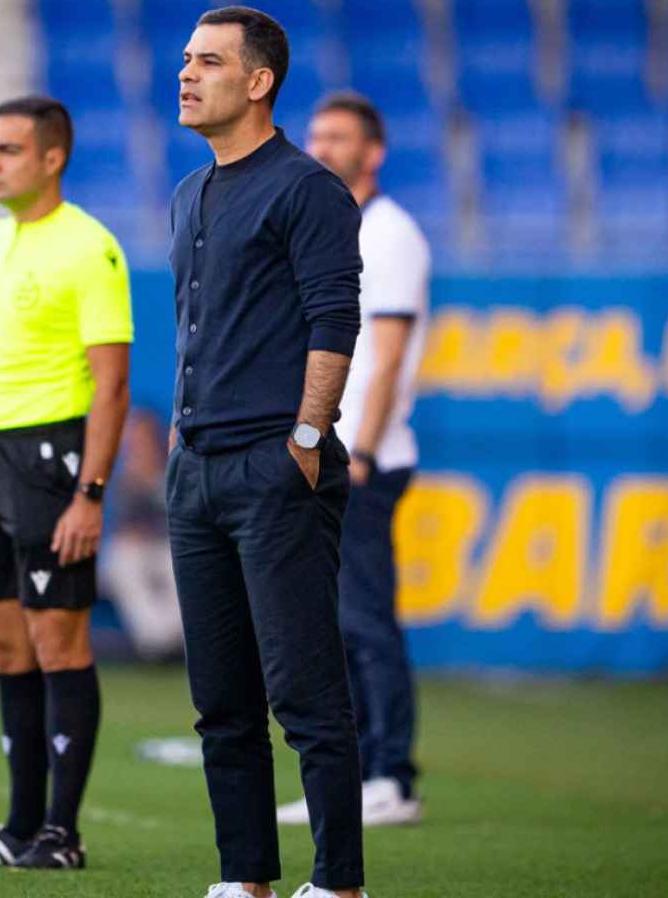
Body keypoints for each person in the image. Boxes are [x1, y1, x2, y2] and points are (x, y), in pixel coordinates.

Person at [166, 7, 370, 898]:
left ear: (259, 82)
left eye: (208, 62)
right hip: (197, 470)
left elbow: (335, 319)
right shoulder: (189, 193)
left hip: (274, 467)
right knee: (221, 702)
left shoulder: (307, 189)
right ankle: (245, 877)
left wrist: (305, 436)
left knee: (306, 695)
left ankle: (339, 883)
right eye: (184, 60)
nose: (187, 74)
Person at [0, 95, 133, 871]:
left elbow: (112, 386)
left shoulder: (90, 248)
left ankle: (60, 835)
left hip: (51, 462)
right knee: (6, 647)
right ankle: (16, 828)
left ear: (52, 158)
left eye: (6, 150)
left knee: (56, 638)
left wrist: (91, 493)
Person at [273, 91, 429, 828]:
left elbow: (387, 356)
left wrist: (360, 450)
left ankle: (392, 775)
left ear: (374, 152)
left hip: (365, 457)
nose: (324, 147)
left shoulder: (390, 232)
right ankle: (353, 775)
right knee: (331, 626)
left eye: (339, 137)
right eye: (316, 135)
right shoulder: (327, 224)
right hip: (327, 451)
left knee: (365, 620)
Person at [101, 407, 184, 662]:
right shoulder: (126, 479)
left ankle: (174, 640)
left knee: (177, 565)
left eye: (141, 437)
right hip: (139, 553)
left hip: (169, 549)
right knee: (123, 559)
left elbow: (183, 521)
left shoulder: (174, 469)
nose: (136, 444)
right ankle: (156, 643)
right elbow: (126, 527)